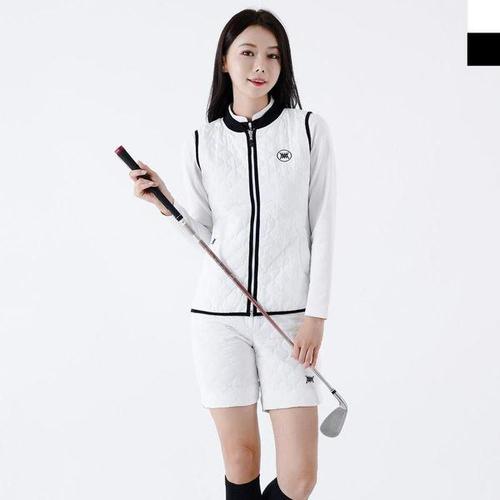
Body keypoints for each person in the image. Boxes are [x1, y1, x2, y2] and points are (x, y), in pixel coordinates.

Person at [129, 8, 336, 500]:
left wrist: (316, 316)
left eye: (273, 56)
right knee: (241, 460)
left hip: (289, 322)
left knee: (300, 478)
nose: (260, 65)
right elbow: (206, 238)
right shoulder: (202, 141)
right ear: (225, 60)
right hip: (218, 321)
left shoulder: (307, 130)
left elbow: (324, 227)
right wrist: (167, 204)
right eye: (248, 53)